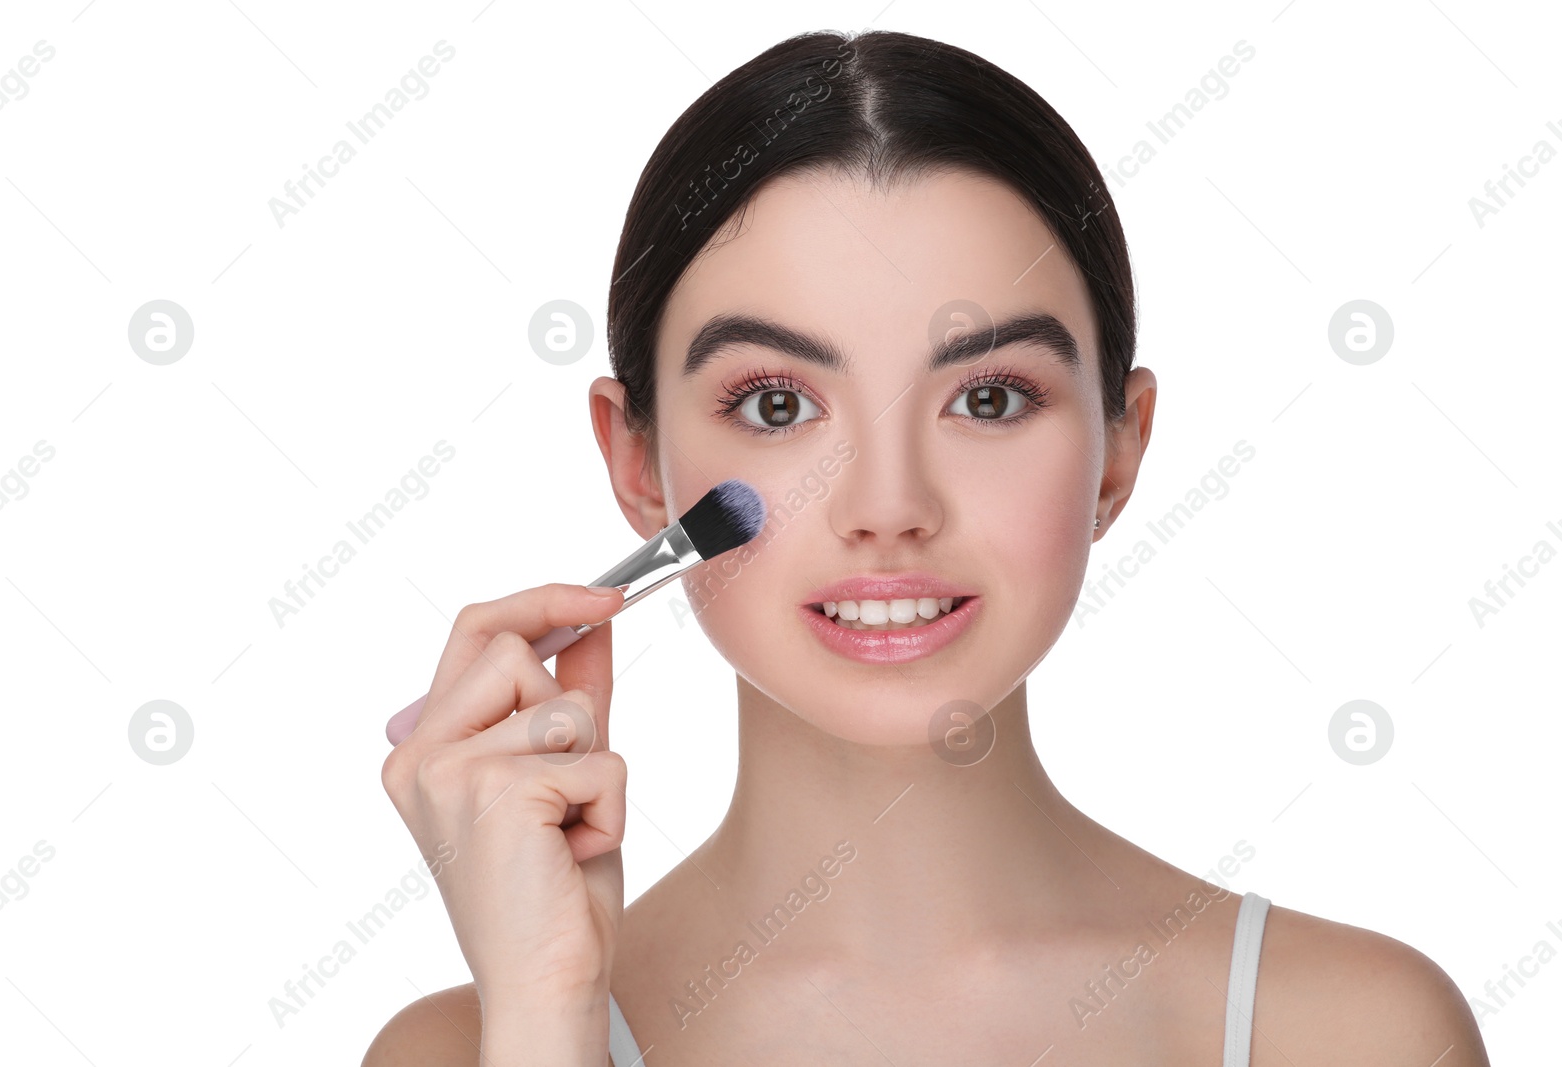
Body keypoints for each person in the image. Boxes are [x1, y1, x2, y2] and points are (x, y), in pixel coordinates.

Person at [364, 28, 1489, 1066]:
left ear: (1117, 450)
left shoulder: (1354, 1030)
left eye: (989, 398)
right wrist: (549, 1016)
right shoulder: (470, 1045)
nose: (887, 504)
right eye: (774, 406)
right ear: (638, 463)